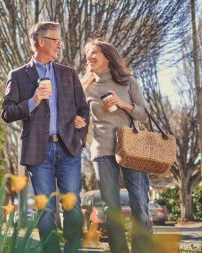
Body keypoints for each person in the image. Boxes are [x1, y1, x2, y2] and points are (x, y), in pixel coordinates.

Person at [1, 21, 89, 253]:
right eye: (55, 39)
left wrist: (80, 134)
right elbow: (7, 112)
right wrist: (34, 100)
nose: (60, 44)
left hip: (69, 148)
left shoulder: (68, 74)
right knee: (46, 208)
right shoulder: (18, 75)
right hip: (38, 152)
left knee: (73, 205)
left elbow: (83, 109)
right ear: (41, 41)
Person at [76, 38, 151, 253]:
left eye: (94, 52)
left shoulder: (128, 82)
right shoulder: (85, 87)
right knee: (111, 208)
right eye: (87, 54)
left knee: (140, 204)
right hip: (102, 149)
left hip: (131, 147)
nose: (89, 57)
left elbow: (144, 114)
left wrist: (122, 103)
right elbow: (80, 115)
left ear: (108, 57)